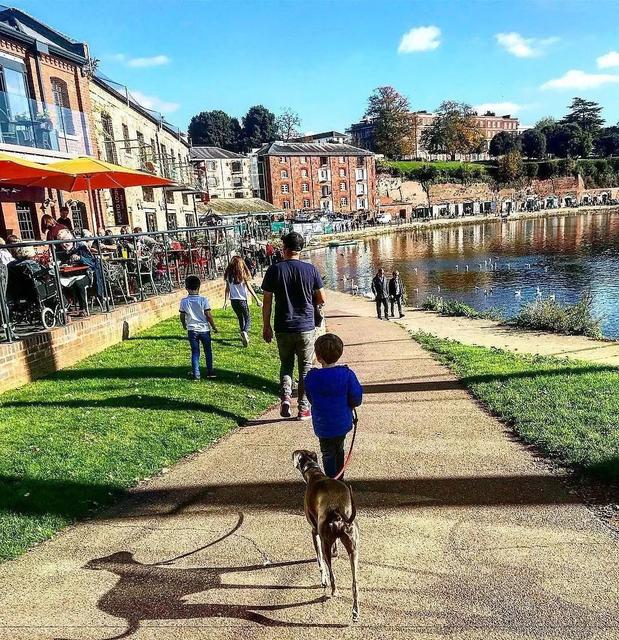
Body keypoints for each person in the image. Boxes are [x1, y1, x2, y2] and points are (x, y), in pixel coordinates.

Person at [261, 232, 326, 421]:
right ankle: (303, 409)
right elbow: (322, 298)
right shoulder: (310, 270)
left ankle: (286, 397)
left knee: (286, 364)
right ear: (300, 249)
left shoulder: (274, 270)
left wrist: (266, 326)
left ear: (285, 249)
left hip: (283, 326)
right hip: (305, 326)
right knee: (305, 368)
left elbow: (267, 301)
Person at [304, 333, 363, 479]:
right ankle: (339, 479)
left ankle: (331, 480)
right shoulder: (347, 374)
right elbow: (356, 398)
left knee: (327, 452)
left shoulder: (311, 377)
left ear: (318, 357)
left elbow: (311, 398)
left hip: (323, 425)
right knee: (339, 449)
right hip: (342, 422)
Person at [179, 274, 218, 381]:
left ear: (186, 288)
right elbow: (208, 315)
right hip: (204, 329)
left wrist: (184, 324)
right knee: (208, 351)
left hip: (192, 330)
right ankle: (210, 372)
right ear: (199, 287)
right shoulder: (203, 300)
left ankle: (196, 374)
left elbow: (182, 315)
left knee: (195, 352)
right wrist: (213, 327)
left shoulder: (184, 301)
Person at [223, 255, 262, 347]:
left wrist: (225, 301)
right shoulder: (243, 274)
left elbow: (227, 289)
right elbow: (249, 288)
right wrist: (257, 299)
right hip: (242, 301)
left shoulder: (229, 276)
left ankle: (243, 335)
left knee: (240, 318)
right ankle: (244, 331)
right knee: (247, 318)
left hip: (233, 301)